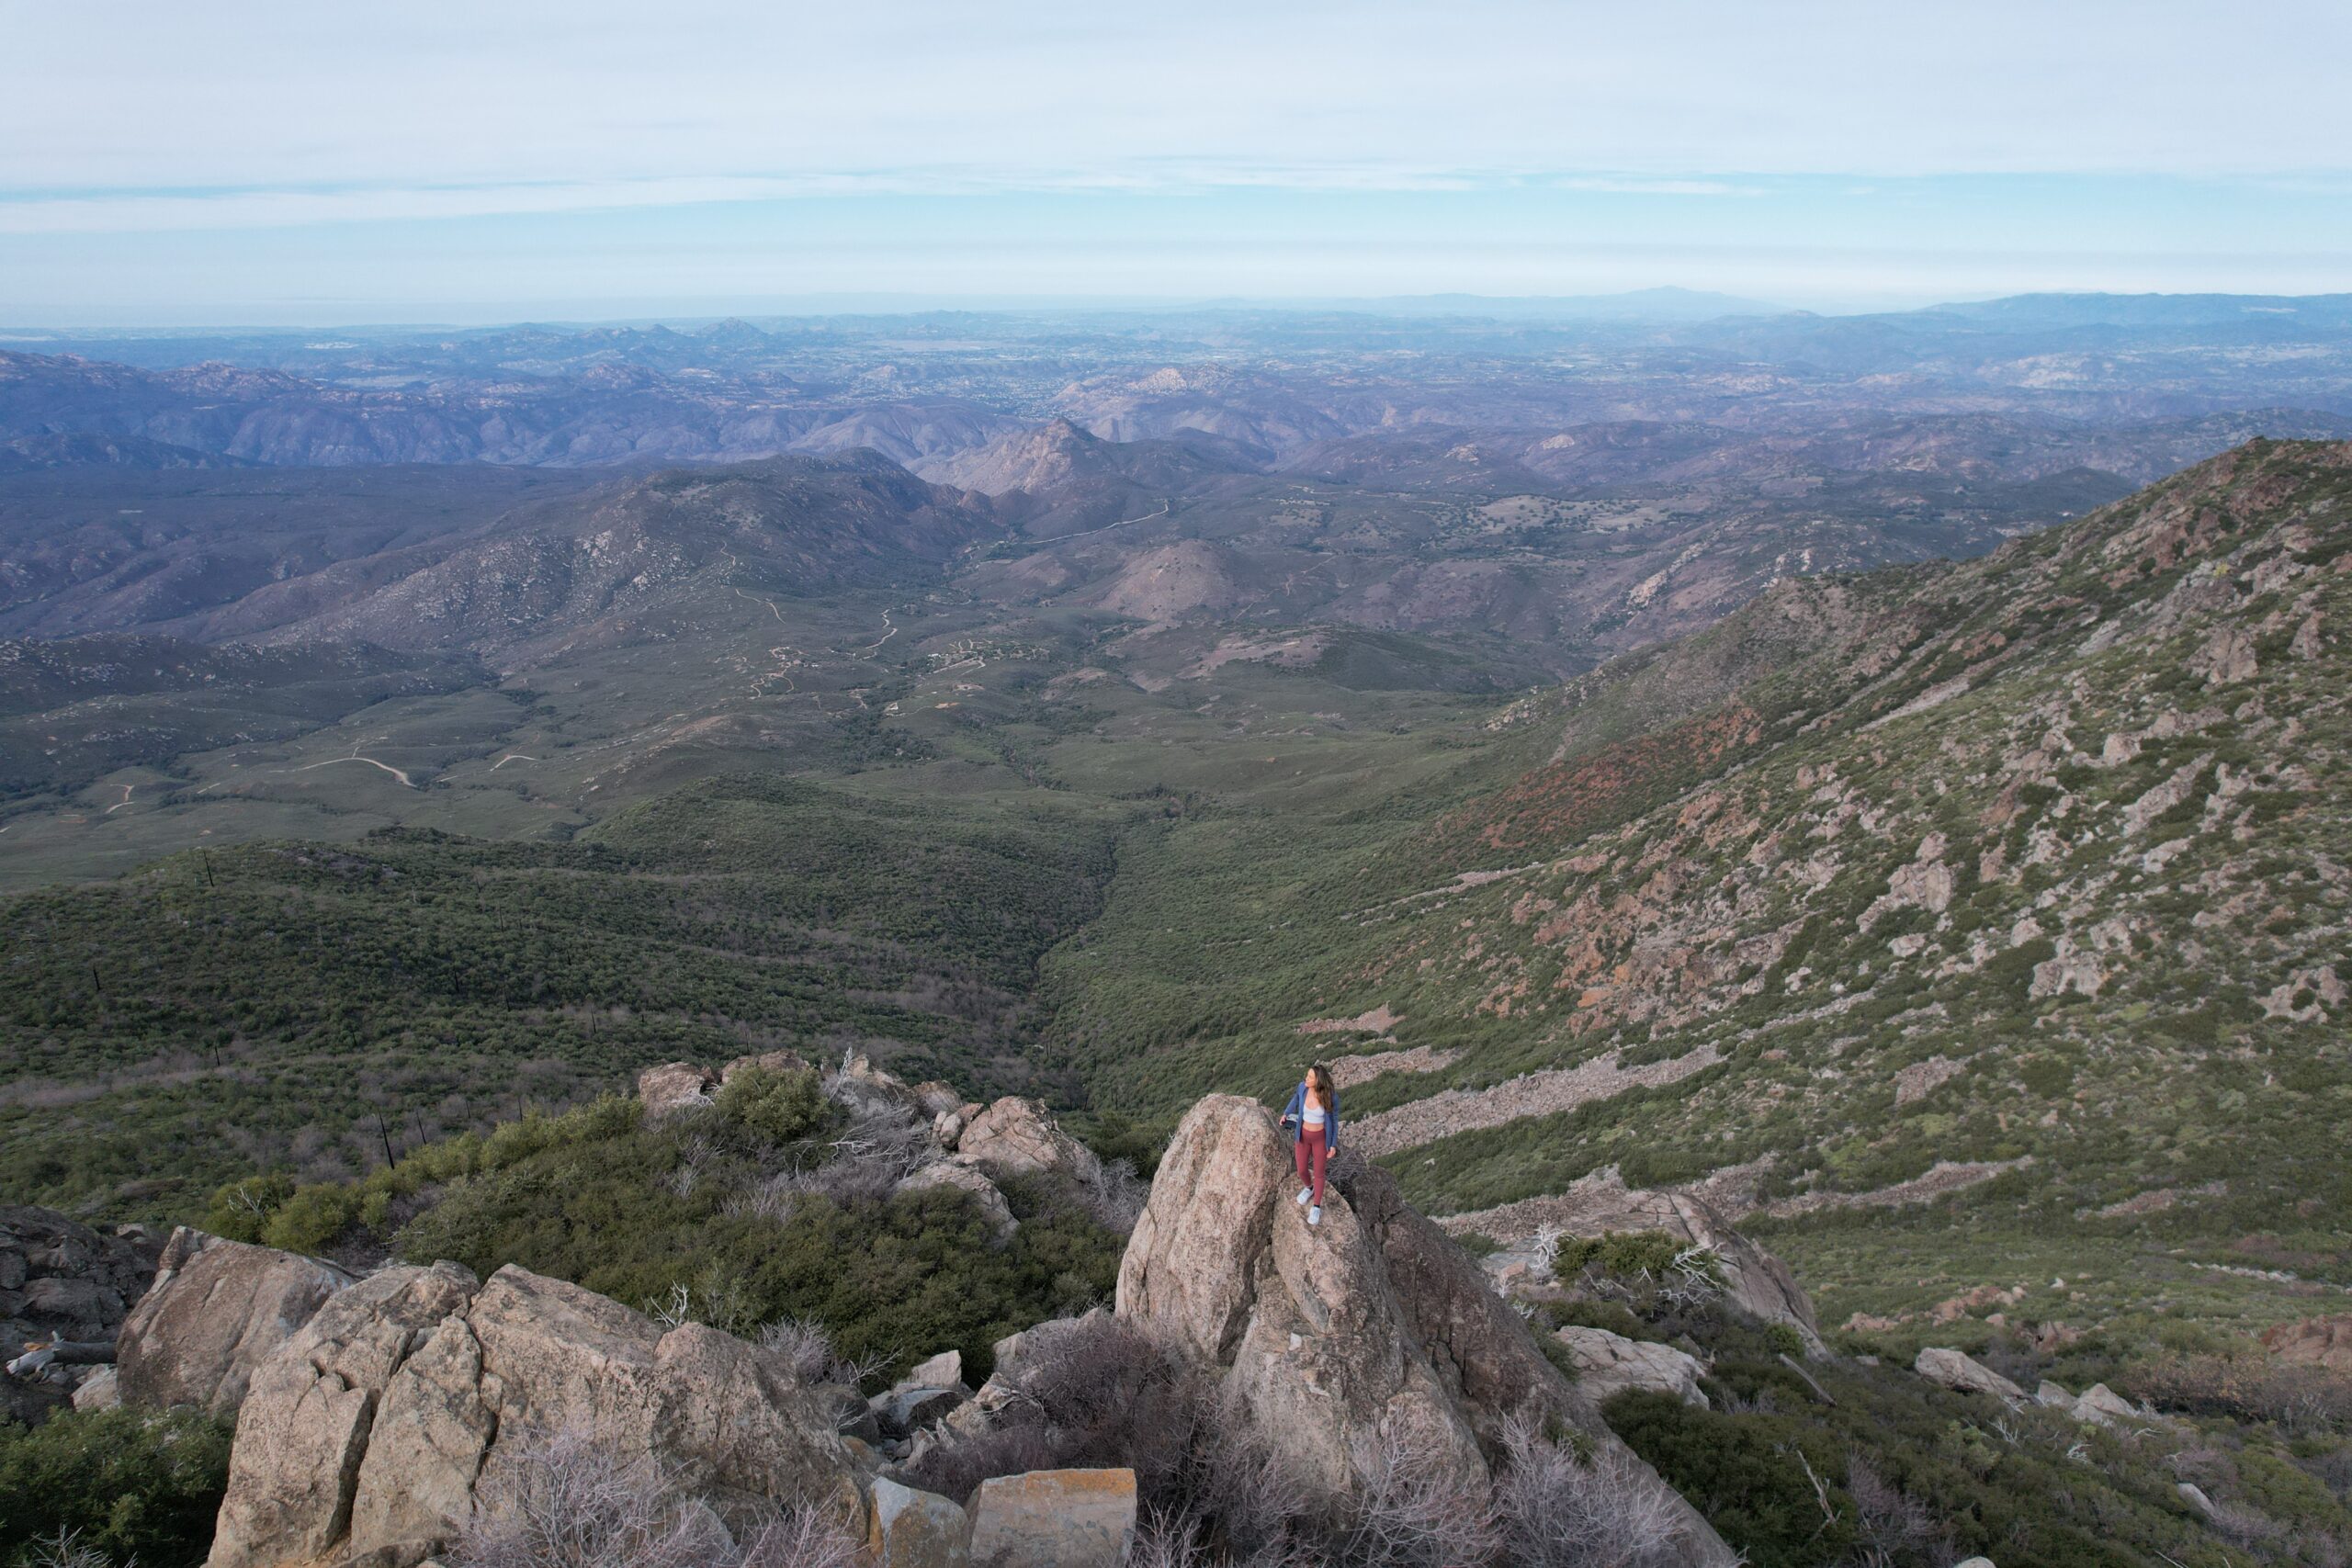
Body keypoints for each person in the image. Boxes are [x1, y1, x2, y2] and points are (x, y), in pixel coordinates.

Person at [1279, 1064, 1340, 1227]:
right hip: (1302, 1136)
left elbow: (1334, 1121)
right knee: (1301, 1170)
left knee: (1319, 1173)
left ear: (1318, 1081)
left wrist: (1333, 1144)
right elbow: (1295, 1100)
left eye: (1310, 1077)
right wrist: (1285, 1113)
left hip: (1320, 1139)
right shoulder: (1302, 1088)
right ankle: (1309, 1187)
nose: (1306, 1078)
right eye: (1307, 1076)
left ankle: (1316, 1207)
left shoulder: (1330, 1096)